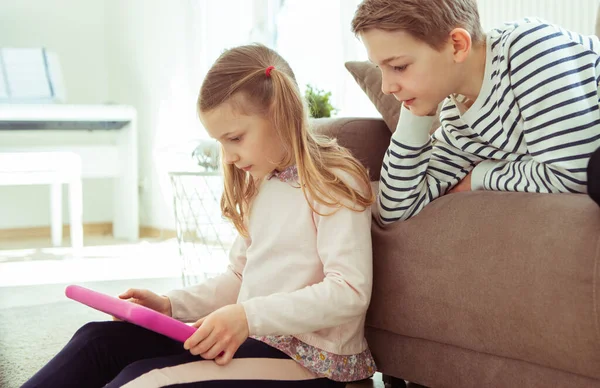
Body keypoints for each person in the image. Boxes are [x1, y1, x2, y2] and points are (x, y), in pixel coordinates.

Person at [22, 44, 376, 388]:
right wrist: (170, 305)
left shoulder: (333, 180)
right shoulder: (264, 182)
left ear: (280, 113)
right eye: (221, 142)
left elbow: (348, 291)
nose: (229, 155)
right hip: (254, 339)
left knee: (144, 380)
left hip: (312, 363)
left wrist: (246, 317)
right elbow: (239, 277)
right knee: (97, 339)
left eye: (235, 138)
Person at [351, 0, 600, 224]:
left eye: (399, 66)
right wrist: (415, 119)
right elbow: (394, 211)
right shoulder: (457, 122)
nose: (386, 87)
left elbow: (575, 174)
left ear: (458, 45)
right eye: (380, 68)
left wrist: (480, 175)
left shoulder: (529, 50)